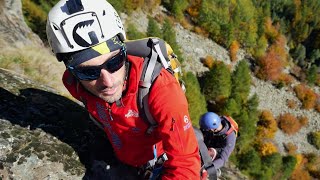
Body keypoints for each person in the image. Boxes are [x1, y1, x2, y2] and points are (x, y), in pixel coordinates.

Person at [46, 0, 200, 179]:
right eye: (88, 72)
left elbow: (185, 166)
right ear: (71, 70)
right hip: (122, 159)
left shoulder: (161, 90)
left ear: (124, 50)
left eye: (114, 62)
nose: (108, 82)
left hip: (157, 165)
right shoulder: (74, 84)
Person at [199, 112, 237, 177]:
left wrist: (207, 170)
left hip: (217, 150)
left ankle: (215, 170)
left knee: (212, 152)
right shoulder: (212, 120)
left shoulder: (230, 138)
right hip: (212, 137)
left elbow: (222, 159)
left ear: (212, 129)